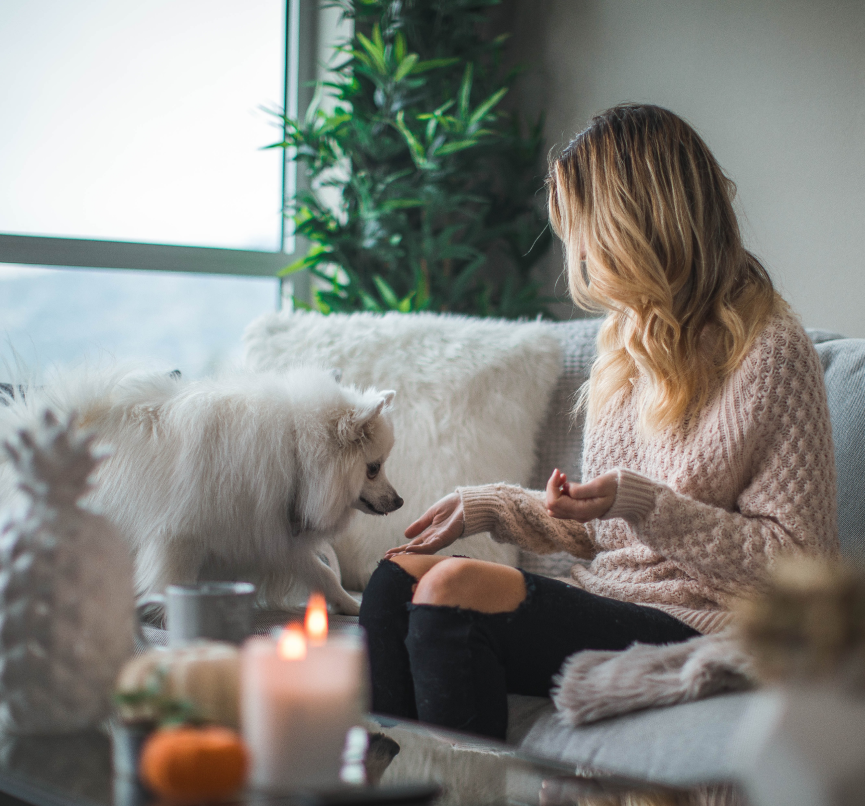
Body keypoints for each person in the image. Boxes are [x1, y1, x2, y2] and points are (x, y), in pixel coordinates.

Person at [359, 103, 839, 740]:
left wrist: (647, 506)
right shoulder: (626, 338)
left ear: (635, 225)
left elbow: (799, 567)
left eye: (583, 229)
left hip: (710, 618)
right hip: (612, 595)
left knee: (453, 588)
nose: (578, 251)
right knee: (395, 580)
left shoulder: (771, 350)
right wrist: (493, 507)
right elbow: (605, 531)